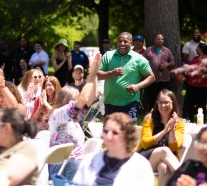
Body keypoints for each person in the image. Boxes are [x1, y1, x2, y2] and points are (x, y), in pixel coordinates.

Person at [48, 50, 101, 180]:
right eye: (75, 99)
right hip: (60, 164)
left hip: (74, 162)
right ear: (65, 100)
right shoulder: (58, 114)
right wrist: (92, 72)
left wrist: (94, 74)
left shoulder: (74, 119)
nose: (79, 102)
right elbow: (82, 100)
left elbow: (89, 99)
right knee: (77, 164)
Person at [72, 112, 155, 186]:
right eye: (106, 131)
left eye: (115, 133)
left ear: (127, 136)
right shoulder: (90, 160)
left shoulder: (141, 166)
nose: (109, 136)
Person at [98, 32, 155, 121]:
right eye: (120, 41)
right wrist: (111, 73)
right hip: (110, 104)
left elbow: (151, 77)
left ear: (131, 43)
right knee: (111, 133)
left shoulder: (139, 59)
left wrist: (138, 86)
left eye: (125, 41)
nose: (122, 44)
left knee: (127, 133)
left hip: (129, 104)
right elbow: (97, 75)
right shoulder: (108, 56)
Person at [137, 89, 185, 186]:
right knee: (164, 150)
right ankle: (185, 180)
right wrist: (164, 132)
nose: (163, 106)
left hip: (166, 159)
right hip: (145, 158)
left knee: (163, 167)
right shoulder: (150, 119)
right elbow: (145, 143)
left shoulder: (179, 123)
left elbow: (174, 147)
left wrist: (171, 130)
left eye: (166, 102)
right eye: (160, 102)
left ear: (173, 103)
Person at [143, 34, 175, 113]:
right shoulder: (149, 50)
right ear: (154, 40)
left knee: (164, 98)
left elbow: (173, 62)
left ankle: (164, 114)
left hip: (164, 80)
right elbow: (142, 61)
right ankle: (152, 114)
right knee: (152, 99)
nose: (160, 41)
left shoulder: (167, 50)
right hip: (152, 80)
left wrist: (167, 65)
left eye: (161, 39)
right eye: (158, 39)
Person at [183, 43, 207, 123]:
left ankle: (202, 122)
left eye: (197, 48)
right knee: (190, 104)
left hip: (202, 86)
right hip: (191, 85)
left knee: (201, 105)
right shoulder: (194, 59)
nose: (195, 50)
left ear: (201, 49)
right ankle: (191, 121)